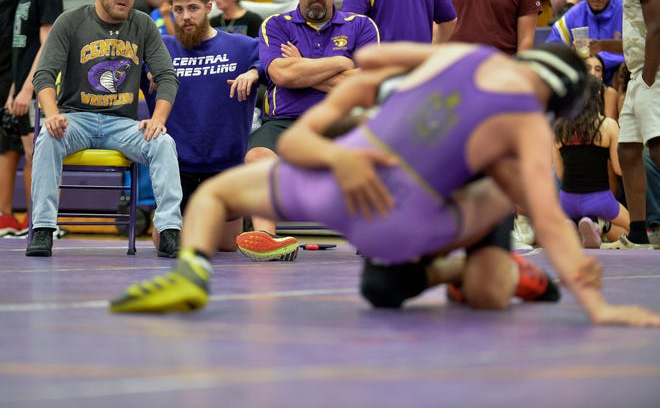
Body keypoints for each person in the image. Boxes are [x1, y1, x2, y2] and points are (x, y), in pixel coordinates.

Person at [109, 41, 660, 328]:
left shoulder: (473, 61)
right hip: (408, 215)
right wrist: (596, 304)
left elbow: (371, 58)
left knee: (217, 193)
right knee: (399, 280)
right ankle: (472, 265)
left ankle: (192, 275)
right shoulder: (525, 120)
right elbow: (544, 214)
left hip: (366, 195)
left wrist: (416, 75)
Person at [26, 0, 183, 258]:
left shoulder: (143, 24)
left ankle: (170, 230)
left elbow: (167, 77)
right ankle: (43, 229)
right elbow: (44, 74)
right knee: (47, 139)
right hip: (76, 118)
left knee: (163, 142)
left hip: (122, 124)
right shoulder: (70, 22)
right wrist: (52, 113)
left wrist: (158, 119)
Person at [242, 0, 380, 250]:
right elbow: (280, 74)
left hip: (342, 119)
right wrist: (342, 62)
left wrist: (301, 67)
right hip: (286, 123)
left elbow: (365, 85)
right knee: (257, 157)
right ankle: (266, 240)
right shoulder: (276, 25)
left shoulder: (361, 26)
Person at [148, 0, 263, 251]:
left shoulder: (243, 47)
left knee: (224, 248)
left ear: (209, 7)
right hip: (177, 170)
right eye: (178, 9)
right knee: (167, 247)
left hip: (225, 168)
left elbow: (277, 66)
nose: (186, 16)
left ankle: (242, 217)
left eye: (193, 8)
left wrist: (254, 71)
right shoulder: (158, 49)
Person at [590, 0, 660, 249]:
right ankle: (638, 233)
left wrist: (647, 77)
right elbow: (639, 36)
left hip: (651, 76)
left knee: (657, 149)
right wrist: (599, 46)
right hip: (638, 76)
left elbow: (657, 28)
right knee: (628, 150)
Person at [0, 0, 63, 238]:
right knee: (28, 154)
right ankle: (33, 220)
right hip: (22, 86)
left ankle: (45, 221)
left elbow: (46, 46)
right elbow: (19, 51)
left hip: (38, 90)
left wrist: (28, 90)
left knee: (37, 155)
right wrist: (14, 90)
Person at [552, 76, 629, 249]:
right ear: (598, 97)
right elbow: (618, 168)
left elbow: (560, 174)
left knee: (577, 210)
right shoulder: (608, 125)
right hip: (600, 199)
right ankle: (600, 225)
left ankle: (579, 227)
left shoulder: (558, 128)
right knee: (635, 233)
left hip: (567, 201)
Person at [546, 0, 625, 84]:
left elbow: (639, 48)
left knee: (625, 69)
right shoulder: (575, 13)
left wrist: (600, 60)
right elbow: (552, 48)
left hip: (616, 73)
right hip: (583, 74)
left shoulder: (627, 11)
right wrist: (571, 53)